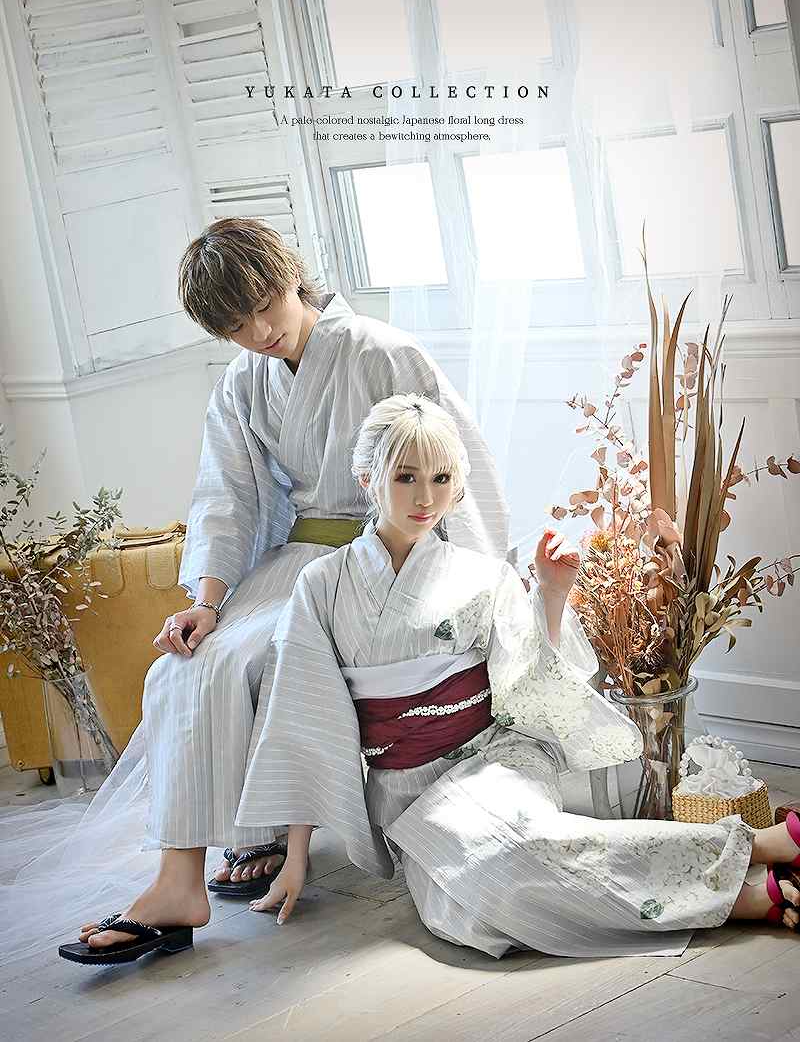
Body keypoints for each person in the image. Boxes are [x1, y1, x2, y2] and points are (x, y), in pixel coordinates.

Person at [0, 219, 510, 967]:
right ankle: (178, 882)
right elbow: (227, 496)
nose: (260, 333)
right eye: (236, 327)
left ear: (290, 276)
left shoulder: (382, 352)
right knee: (186, 666)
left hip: (388, 554)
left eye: (266, 306)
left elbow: (457, 469)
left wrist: (470, 586)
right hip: (300, 557)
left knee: (263, 655)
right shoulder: (244, 383)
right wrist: (206, 603)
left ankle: (259, 833)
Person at [240, 394, 800, 958]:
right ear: (367, 478)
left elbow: (531, 679)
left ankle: (751, 880)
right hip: (405, 789)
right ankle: (751, 858)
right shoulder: (322, 585)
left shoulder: (483, 576)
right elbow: (305, 716)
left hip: (495, 757)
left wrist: (552, 592)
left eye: (441, 478)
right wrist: (296, 857)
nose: (426, 497)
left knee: (516, 849)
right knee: (468, 916)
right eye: (406, 477)